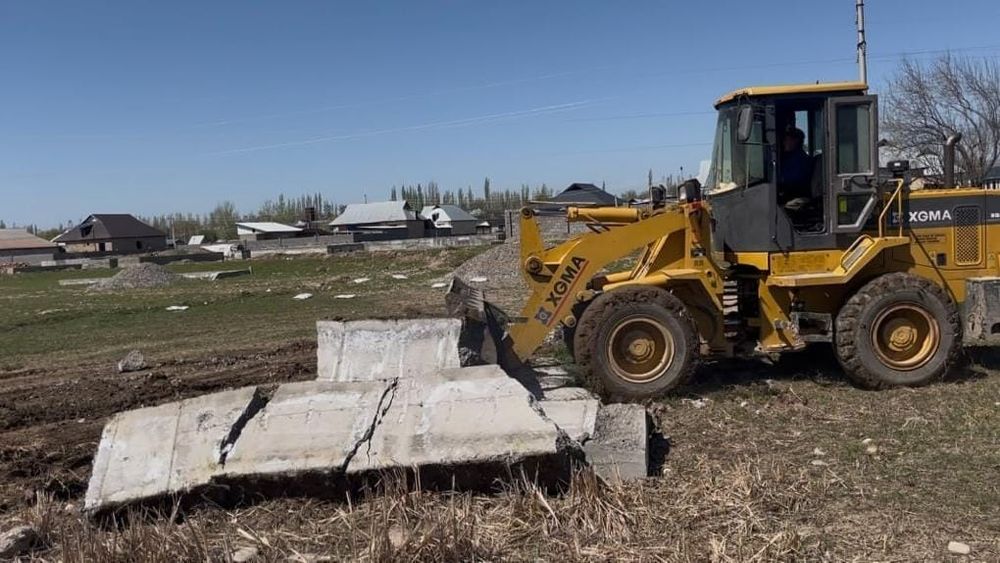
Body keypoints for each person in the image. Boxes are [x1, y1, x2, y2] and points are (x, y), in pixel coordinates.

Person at [779, 126, 812, 209]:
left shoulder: (800, 159)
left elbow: (792, 180)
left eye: (786, 140)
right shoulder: (789, 157)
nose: (783, 143)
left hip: (797, 195)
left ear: (796, 141)